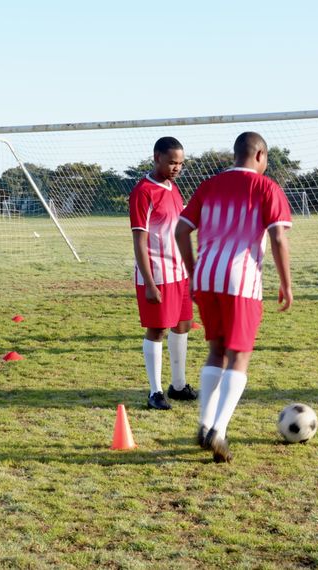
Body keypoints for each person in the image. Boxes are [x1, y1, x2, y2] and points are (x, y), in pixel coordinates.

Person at [174, 131, 293, 463]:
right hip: (241, 280)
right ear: (259, 156)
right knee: (239, 356)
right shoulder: (266, 187)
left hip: (207, 277)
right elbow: (279, 239)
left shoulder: (209, 185)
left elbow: (181, 230)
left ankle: (204, 422)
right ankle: (219, 430)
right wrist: (286, 283)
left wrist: (195, 269)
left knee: (216, 351)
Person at [128, 136, 198, 410]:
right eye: (171, 162)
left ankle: (178, 386)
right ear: (156, 157)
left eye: (180, 163)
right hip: (156, 274)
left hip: (178, 273)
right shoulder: (143, 191)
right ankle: (155, 392)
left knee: (182, 326)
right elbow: (139, 239)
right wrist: (148, 282)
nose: (176, 167)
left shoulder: (173, 188)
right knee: (156, 330)